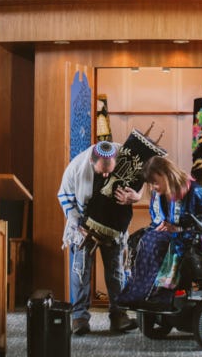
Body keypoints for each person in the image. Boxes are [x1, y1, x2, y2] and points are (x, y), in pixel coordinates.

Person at [117, 155, 202, 309]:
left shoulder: (194, 191)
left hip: (194, 235)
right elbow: (157, 218)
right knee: (139, 238)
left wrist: (181, 228)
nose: (152, 188)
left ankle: (161, 294)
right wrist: (161, 225)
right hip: (169, 233)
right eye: (150, 184)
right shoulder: (158, 194)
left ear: (165, 175)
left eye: (155, 182)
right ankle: (138, 292)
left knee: (157, 242)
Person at [57, 141, 142, 335]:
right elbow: (63, 196)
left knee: (116, 270)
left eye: (109, 172)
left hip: (114, 224)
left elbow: (142, 176)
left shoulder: (125, 155)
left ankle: (118, 315)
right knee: (81, 269)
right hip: (83, 223)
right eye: (102, 172)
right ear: (91, 161)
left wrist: (136, 197)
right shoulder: (76, 168)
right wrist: (79, 225)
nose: (105, 175)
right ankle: (79, 317)